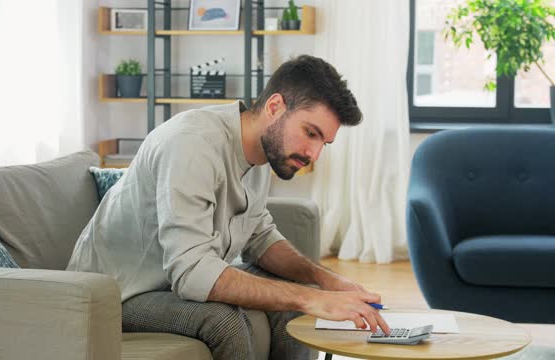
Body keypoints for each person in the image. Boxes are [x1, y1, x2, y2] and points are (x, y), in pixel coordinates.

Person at [67, 54, 390, 360]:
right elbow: (192, 274)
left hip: (168, 281)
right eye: (310, 133)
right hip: (113, 293)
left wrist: (326, 281)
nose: (314, 153)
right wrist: (314, 299)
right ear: (276, 106)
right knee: (225, 322)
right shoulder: (192, 144)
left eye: (323, 142)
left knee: (298, 300)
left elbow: (259, 237)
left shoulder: (264, 150)